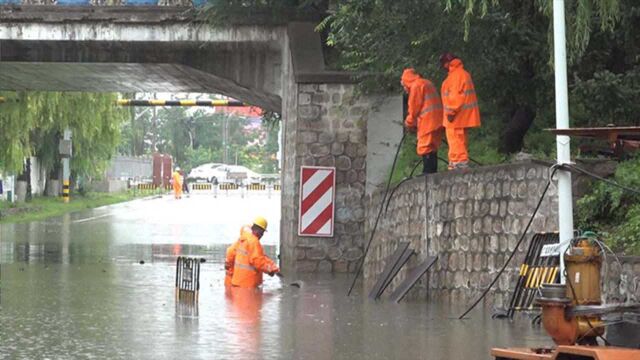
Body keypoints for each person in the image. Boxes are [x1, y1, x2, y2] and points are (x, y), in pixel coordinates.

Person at [439, 53, 481, 170]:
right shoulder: (463, 74)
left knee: (455, 139)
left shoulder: (455, 77)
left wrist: (451, 113)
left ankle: (459, 162)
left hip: (456, 117)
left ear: (447, 63)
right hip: (462, 116)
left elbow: (455, 97)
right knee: (459, 140)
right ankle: (456, 161)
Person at [401, 68, 444, 174]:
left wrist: (409, 122)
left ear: (407, 81)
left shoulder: (416, 86)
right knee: (433, 147)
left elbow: (414, 108)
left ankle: (428, 173)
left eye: (404, 85)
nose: (405, 89)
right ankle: (432, 172)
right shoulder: (427, 83)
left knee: (425, 147)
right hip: (438, 120)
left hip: (427, 122)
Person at [230, 216, 279, 288]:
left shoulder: (243, 239)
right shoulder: (254, 242)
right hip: (248, 284)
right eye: (262, 233)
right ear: (259, 230)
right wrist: (269, 270)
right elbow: (258, 261)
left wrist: (273, 267)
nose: (262, 235)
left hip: (237, 282)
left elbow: (231, 252)